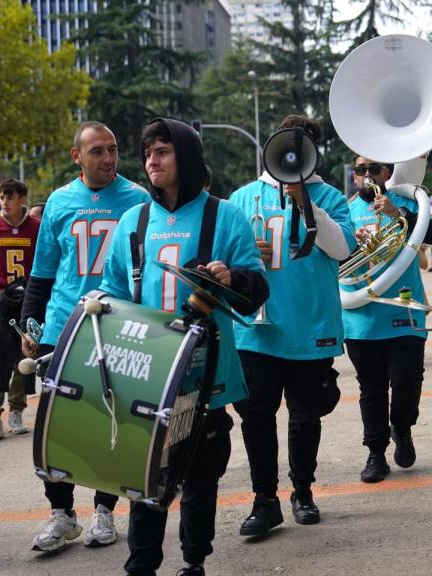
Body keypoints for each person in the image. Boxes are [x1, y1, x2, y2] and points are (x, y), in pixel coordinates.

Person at [98, 118, 268, 576]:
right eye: (148, 152)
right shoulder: (133, 221)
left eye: (163, 152)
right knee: (144, 475)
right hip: (148, 369)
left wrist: (234, 279)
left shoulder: (224, 215)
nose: (151, 160)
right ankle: (142, 563)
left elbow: (256, 289)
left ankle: (194, 559)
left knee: (200, 476)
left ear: (187, 157)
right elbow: (111, 291)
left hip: (206, 371)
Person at [20, 121, 151, 552]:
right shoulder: (58, 201)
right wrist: (32, 327)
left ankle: (104, 511)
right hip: (62, 326)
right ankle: (61, 514)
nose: (108, 158)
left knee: (108, 421)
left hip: (114, 324)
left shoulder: (137, 199)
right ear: (77, 155)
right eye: (97, 151)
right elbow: (41, 273)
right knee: (56, 425)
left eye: (113, 149)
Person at [227, 114, 356, 536]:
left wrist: (306, 202)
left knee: (305, 417)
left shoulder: (331, 198)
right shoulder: (242, 198)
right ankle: (265, 500)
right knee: (257, 418)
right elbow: (222, 260)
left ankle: (303, 490)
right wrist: (245, 257)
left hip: (310, 327)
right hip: (256, 328)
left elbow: (341, 249)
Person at [343, 156, 432, 483]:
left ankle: (402, 426)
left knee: (406, 382)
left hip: (404, 309)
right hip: (362, 316)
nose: (367, 175)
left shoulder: (409, 202)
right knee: (370, 388)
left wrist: (397, 214)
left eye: (373, 169)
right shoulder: (345, 211)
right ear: (354, 176)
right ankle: (375, 453)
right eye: (361, 170)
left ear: (387, 173)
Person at [0, 178, 40, 440]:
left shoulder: (37, 229)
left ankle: (16, 410)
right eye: (2, 197)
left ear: (22, 198)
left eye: (10, 197)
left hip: (28, 305)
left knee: (22, 359)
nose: (5, 202)